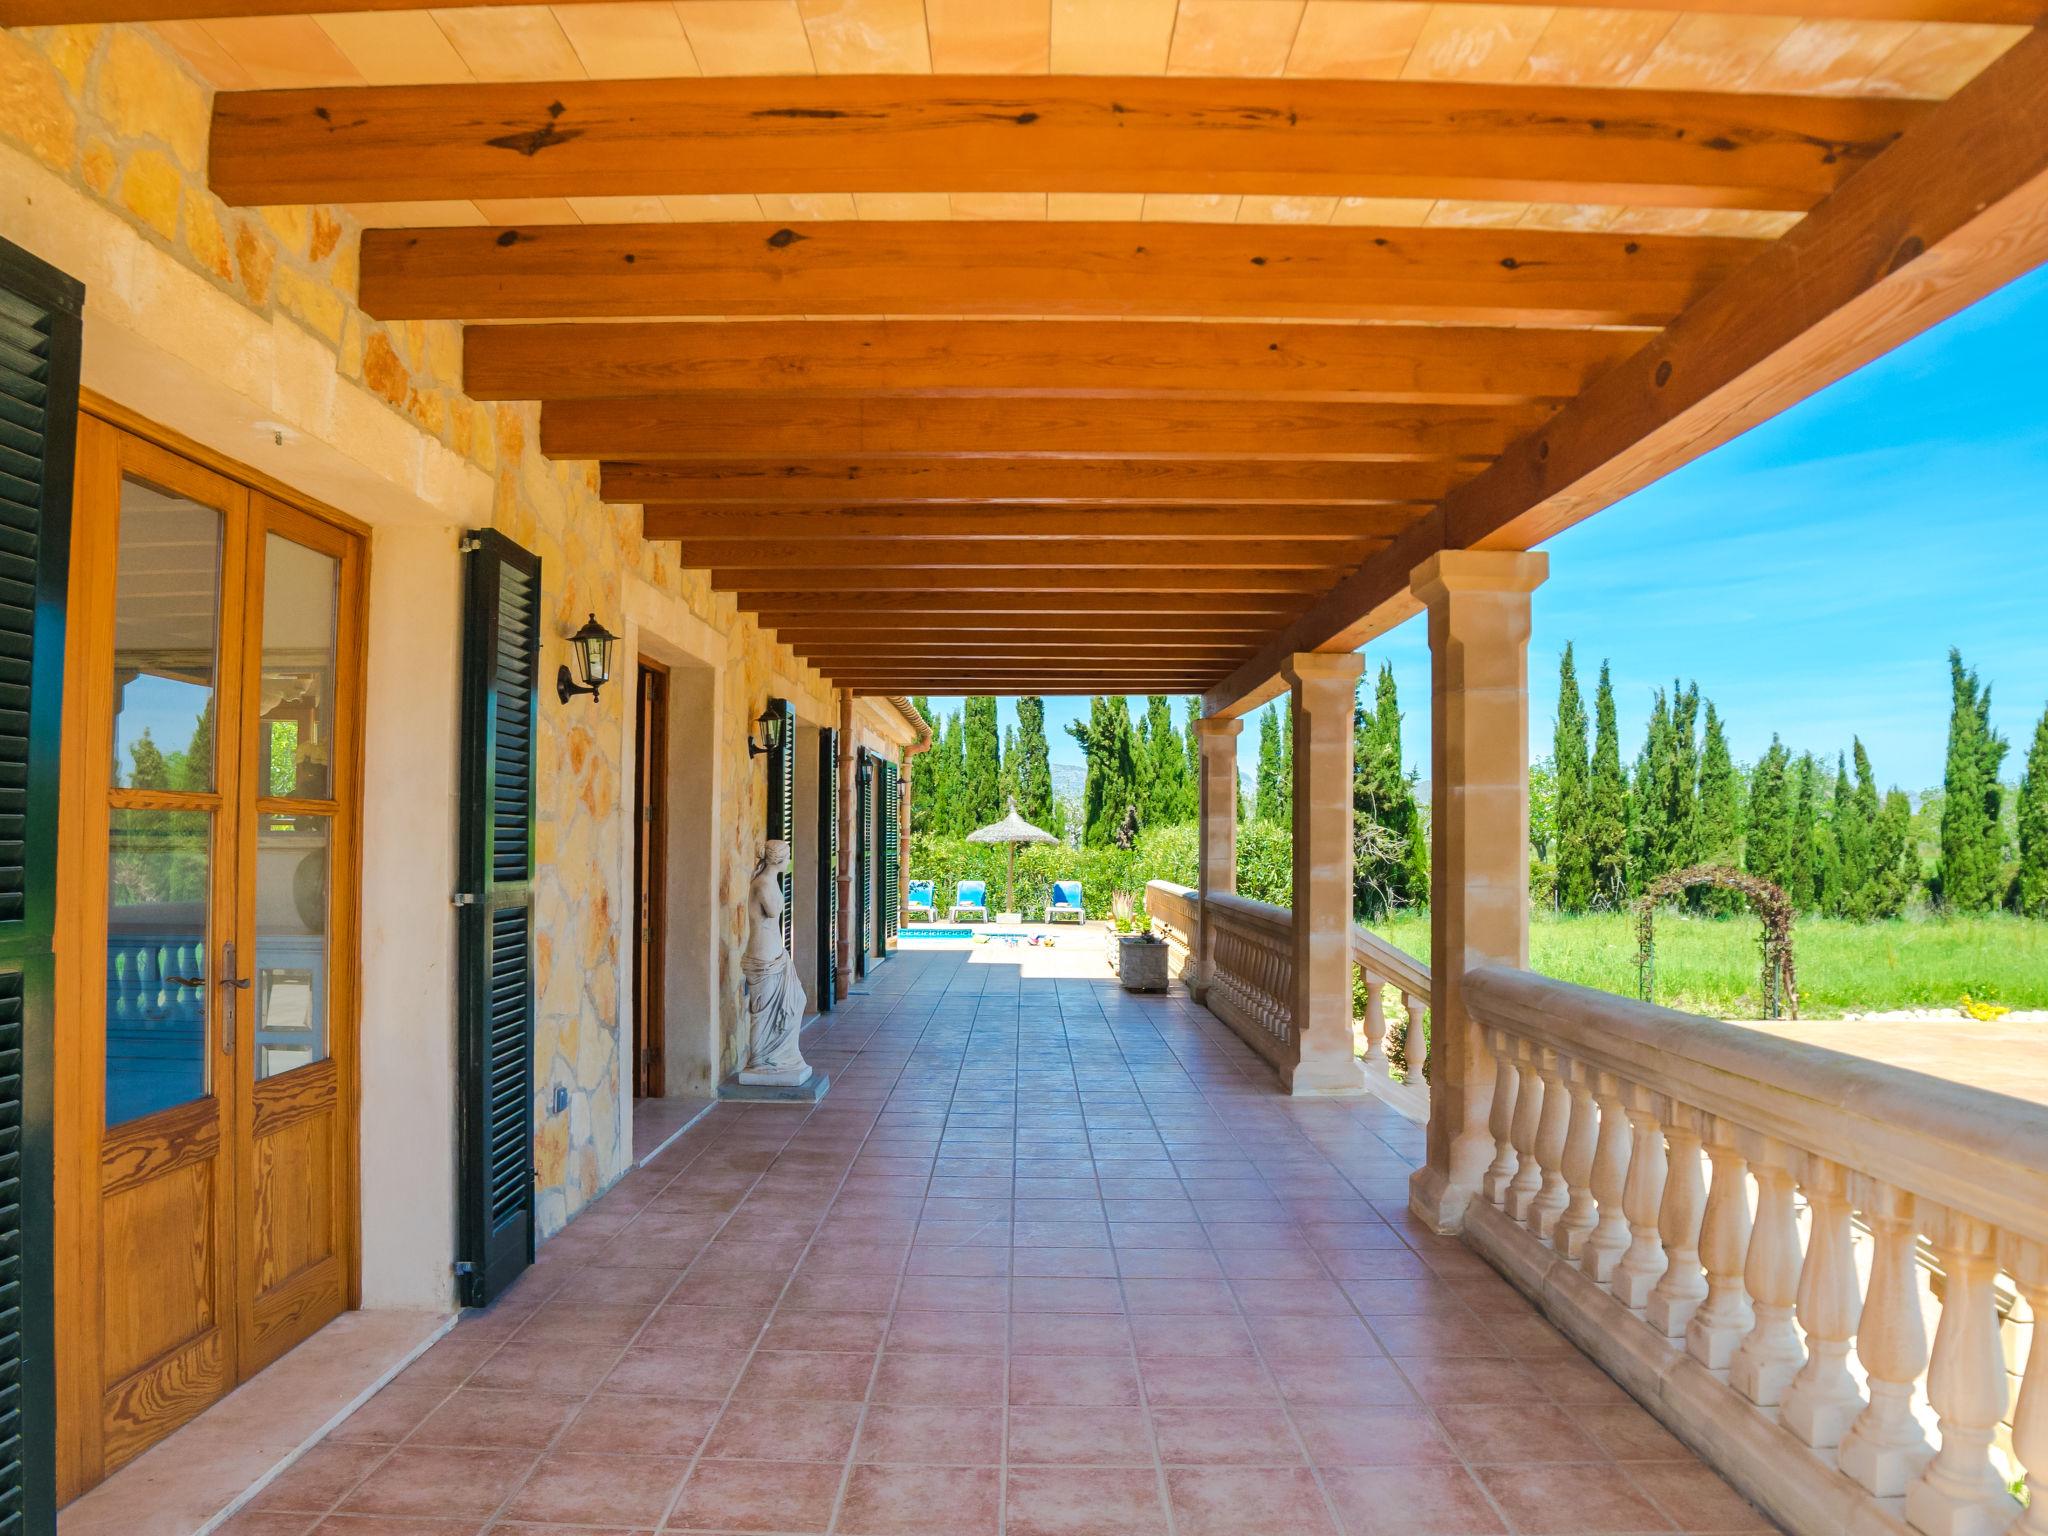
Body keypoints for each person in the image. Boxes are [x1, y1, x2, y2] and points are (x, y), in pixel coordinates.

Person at [740, 840, 812, 1085]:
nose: (790, 860)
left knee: (796, 999)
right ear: (779, 859)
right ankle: (760, 1060)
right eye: (788, 855)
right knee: (762, 1010)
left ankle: (781, 1055)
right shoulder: (762, 884)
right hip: (762, 956)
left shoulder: (768, 882)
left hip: (774, 953)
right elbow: (773, 911)